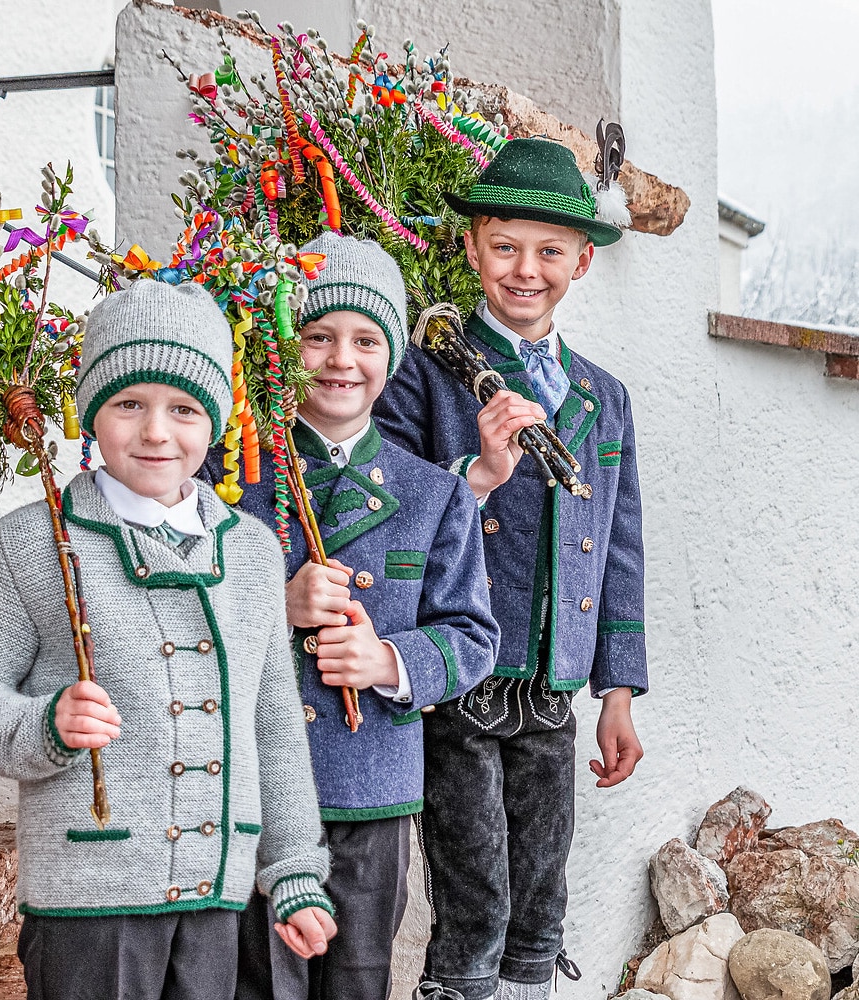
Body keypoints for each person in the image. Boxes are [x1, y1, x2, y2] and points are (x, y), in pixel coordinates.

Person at [0, 279, 337, 1000]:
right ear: (90, 413)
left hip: (217, 896)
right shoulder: (35, 542)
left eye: (182, 409)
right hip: (88, 901)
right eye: (128, 404)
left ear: (215, 420)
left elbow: (273, 723)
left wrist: (295, 868)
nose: (155, 433)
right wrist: (41, 724)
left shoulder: (253, 551)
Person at [372, 137, 649, 1000]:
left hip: (553, 688)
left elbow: (619, 544)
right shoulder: (423, 375)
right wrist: (479, 474)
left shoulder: (603, 396)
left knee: (538, 899)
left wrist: (617, 691)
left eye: (549, 252)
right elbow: (389, 515)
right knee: (477, 899)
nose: (525, 270)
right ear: (471, 247)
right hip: (460, 678)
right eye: (505, 246)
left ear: (583, 261)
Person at [203, 232, 500, 1000]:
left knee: (359, 979)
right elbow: (178, 617)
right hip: (256, 790)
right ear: (285, 348)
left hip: (372, 788)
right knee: (261, 982)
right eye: (318, 336)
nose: (342, 359)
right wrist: (278, 601)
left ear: (391, 356)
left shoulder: (433, 492)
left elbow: (472, 635)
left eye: (366, 339)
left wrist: (389, 663)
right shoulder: (231, 482)